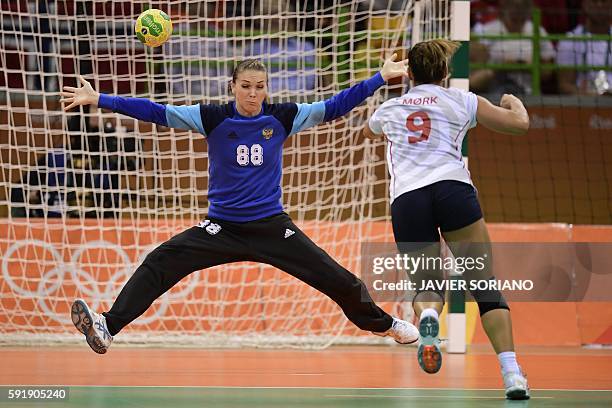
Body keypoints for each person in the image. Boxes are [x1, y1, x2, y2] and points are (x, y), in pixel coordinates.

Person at [59, 56, 419, 354]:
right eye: (245, 86)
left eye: (259, 86)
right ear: (232, 86)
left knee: (336, 277)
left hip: (271, 227)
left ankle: (386, 325)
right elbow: (156, 111)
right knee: (160, 261)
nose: (252, 93)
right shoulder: (212, 118)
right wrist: (100, 99)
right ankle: (107, 326)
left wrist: (378, 78)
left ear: (267, 88)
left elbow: (336, 105)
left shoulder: (283, 116)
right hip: (221, 228)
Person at [362, 39, 531, 400]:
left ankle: (430, 321)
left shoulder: (390, 109)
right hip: (453, 191)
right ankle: (512, 373)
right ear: (445, 73)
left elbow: (367, 130)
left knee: (427, 286)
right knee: (484, 286)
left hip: (408, 199)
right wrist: (512, 100)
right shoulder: (463, 100)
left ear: (411, 72)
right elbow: (519, 124)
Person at [470, 0, 556, 95]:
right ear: (504, 7)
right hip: (494, 91)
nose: (518, 9)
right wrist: (501, 67)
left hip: (529, 92)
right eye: (514, 5)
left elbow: (547, 73)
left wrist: (529, 66)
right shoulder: (485, 31)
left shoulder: (538, 31)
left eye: (523, 5)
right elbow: (475, 79)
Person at [556, 0, 612, 95]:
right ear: (584, 4)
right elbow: (564, 85)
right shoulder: (570, 40)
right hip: (585, 105)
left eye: (604, 1)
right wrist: (592, 96)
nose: (599, 4)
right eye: (594, 1)